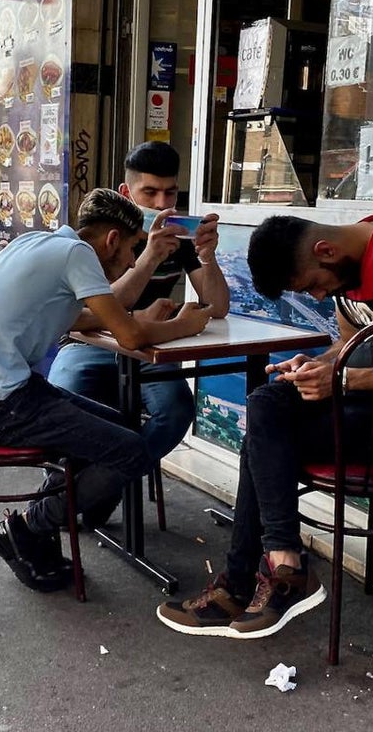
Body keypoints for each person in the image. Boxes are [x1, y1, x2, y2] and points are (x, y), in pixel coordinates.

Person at [156, 214, 373, 639]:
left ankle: (256, 578)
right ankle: (279, 566)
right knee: (266, 405)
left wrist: (341, 379)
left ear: (325, 251)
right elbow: (349, 346)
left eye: (313, 286)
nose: (319, 295)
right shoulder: (345, 268)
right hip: (367, 407)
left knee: (263, 439)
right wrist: (317, 366)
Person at [0, 188, 212, 591]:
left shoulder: (41, 242)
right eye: (132, 249)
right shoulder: (77, 255)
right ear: (112, 239)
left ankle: (36, 528)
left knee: (122, 427)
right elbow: (130, 337)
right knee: (132, 452)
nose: (132, 261)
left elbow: (80, 317)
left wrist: (134, 319)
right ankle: (28, 527)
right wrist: (182, 326)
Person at [48, 142, 230, 516]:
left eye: (170, 193)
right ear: (126, 193)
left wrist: (208, 258)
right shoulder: (101, 236)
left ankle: (94, 491)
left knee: (176, 411)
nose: (162, 204)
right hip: (87, 345)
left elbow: (219, 307)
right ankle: (67, 497)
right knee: (62, 403)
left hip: (149, 352)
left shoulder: (180, 238)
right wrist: (148, 259)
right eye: (150, 192)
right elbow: (91, 311)